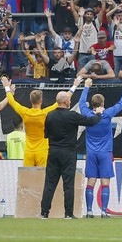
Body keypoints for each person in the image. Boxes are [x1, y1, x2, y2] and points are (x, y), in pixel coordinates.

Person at [40, 89, 103, 219]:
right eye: (68, 99)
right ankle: (68, 214)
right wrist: (98, 114)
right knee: (68, 184)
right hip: (68, 152)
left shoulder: (49, 115)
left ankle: (44, 213)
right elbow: (90, 122)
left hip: (53, 151)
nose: (70, 100)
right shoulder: (72, 115)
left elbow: (46, 134)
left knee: (49, 184)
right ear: (65, 101)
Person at [79, 77, 122, 218]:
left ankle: (89, 211)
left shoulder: (87, 114)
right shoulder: (107, 114)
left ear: (91, 104)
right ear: (103, 103)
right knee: (105, 182)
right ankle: (103, 211)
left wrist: (85, 86)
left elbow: (80, 103)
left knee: (91, 181)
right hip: (105, 153)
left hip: (91, 153)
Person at [0, 75, 80, 167]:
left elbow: (11, 101)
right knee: (42, 177)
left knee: (28, 177)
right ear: (41, 100)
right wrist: (75, 85)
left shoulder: (25, 112)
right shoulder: (45, 113)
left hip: (29, 152)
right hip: (42, 151)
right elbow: (62, 100)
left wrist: (7, 87)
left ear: (30, 100)